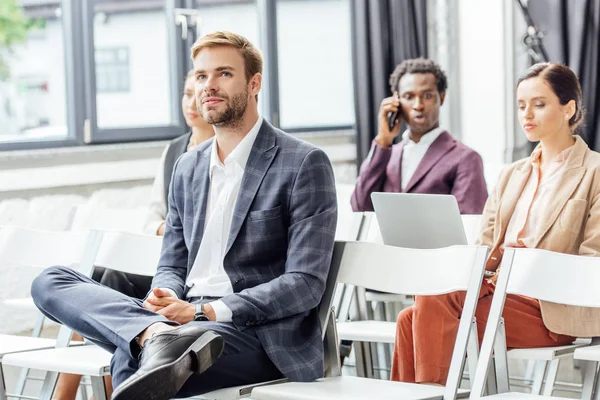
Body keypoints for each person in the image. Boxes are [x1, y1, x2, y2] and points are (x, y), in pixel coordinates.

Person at [31, 31, 337, 400]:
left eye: (224, 74)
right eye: (201, 75)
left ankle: (154, 339)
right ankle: (154, 335)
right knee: (51, 280)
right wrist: (165, 295)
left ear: (254, 83)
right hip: (177, 324)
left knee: (134, 359)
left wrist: (205, 312)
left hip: (257, 334)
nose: (208, 86)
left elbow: (305, 284)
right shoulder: (187, 166)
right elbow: (172, 262)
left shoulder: (303, 163)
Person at [391, 62, 600, 385]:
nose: (526, 114)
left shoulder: (594, 172)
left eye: (539, 104)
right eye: (521, 106)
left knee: (429, 304)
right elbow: (484, 245)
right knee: (409, 318)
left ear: (568, 108)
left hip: (551, 308)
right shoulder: (511, 174)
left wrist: (529, 269)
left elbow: (593, 261)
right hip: (497, 293)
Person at [51, 71, 216, 400]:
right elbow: (152, 215)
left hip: (193, 272)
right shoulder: (174, 152)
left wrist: (181, 231)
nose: (191, 102)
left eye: (197, 93)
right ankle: (81, 386)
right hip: (163, 262)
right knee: (92, 277)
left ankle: (110, 386)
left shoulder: (225, 149)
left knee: (115, 282)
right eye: (185, 94)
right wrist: (170, 229)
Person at [351, 58, 487, 214]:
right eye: (409, 97)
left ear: (441, 98)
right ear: (397, 100)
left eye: (427, 96)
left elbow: (469, 225)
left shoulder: (466, 159)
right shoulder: (386, 155)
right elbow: (359, 207)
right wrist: (383, 141)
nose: (418, 105)